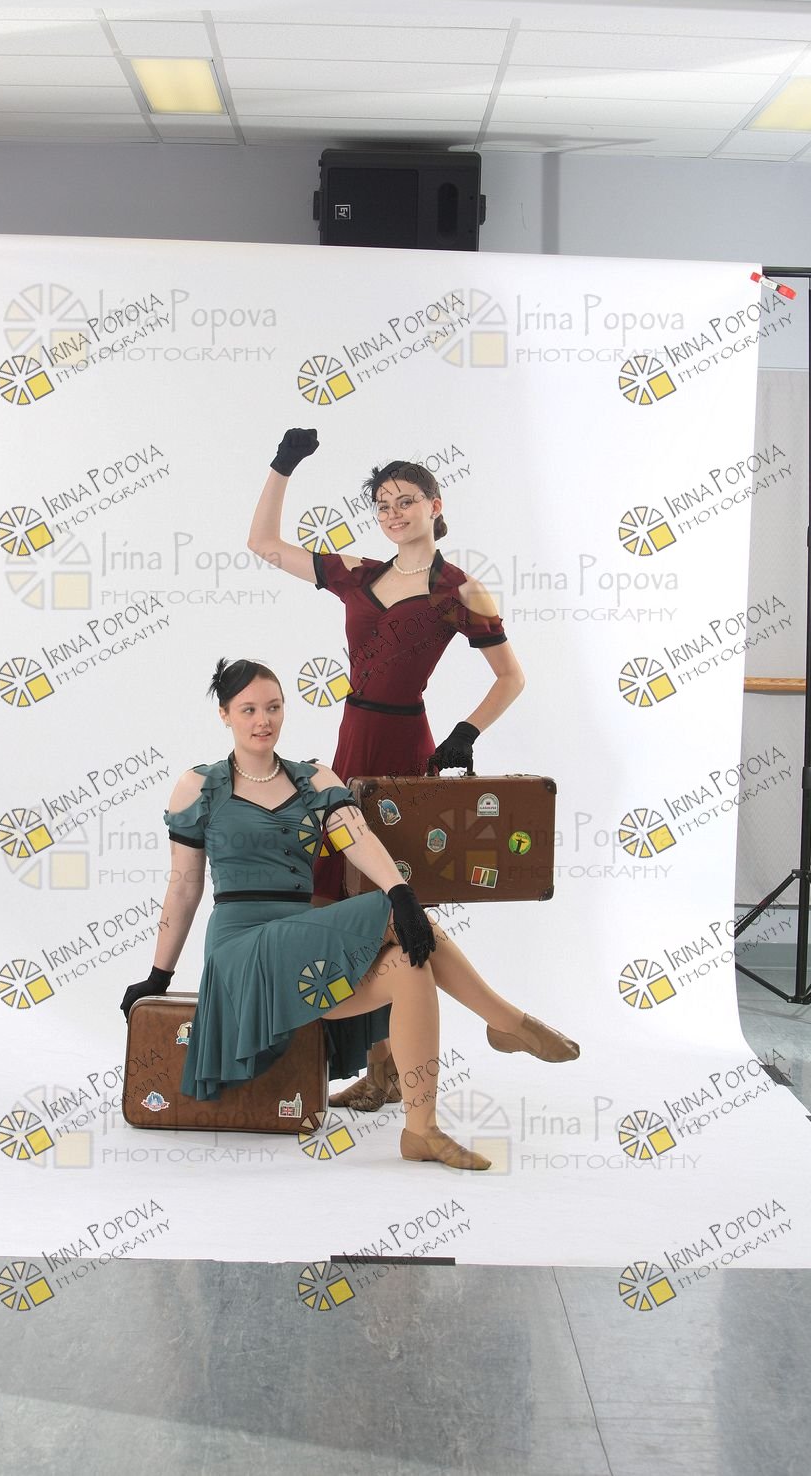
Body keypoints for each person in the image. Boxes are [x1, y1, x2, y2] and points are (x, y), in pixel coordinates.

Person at [120, 658, 580, 1172]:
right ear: (225, 715)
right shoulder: (198, 786)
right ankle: (506, 1021)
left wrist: (399, 891)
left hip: (302, 944)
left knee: (409, 965)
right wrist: (158, 975)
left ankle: (421, 1130)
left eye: (273, 707)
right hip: (242, 949)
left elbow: (357, 838)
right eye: (248, 710)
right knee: (401, 914)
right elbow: (184, 887)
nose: (263, 720)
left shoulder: (315, 779)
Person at [246, 428, 528, 1112]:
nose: (393, 513)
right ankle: (374, 1066)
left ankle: (397, 1069)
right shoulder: (359, 573)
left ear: (435, 505)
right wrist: (283, 466)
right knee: (338, 898)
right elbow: (264, 543)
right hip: (353, 741)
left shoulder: (461, 590)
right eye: (382, 505)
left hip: (407, 750)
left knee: (396, 905)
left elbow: (511, 678)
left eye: (406, 501)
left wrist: (466, 731)